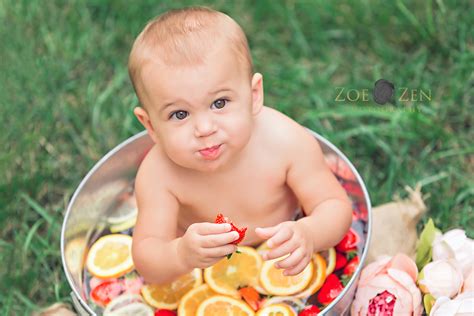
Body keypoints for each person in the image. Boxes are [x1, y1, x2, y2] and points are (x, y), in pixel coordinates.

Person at [128, 6, 352, 285]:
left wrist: (309, 232)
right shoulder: (158, 175)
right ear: (150, 126)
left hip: (276, 255)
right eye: (180, 114)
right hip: (204, 269)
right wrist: (180, 255)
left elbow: (335, 206)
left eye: (219, 103)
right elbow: (148, 259)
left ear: (254, 95)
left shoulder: (286, 142)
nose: (205, 129)